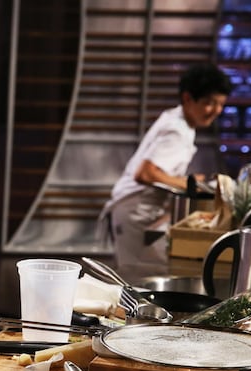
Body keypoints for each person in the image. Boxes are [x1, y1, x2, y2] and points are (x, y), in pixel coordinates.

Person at [100, 63, 233, 267]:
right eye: (209, 102)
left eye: (220, 104)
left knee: (143, 274)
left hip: (137, 209)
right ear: (188, 98)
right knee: (139, 279)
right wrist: (188, 185)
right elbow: (145, 173)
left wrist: (183, 180)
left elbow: (156, 170)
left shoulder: (178, 119)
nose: (216, 110)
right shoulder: (177, 131)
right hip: (136, 209)